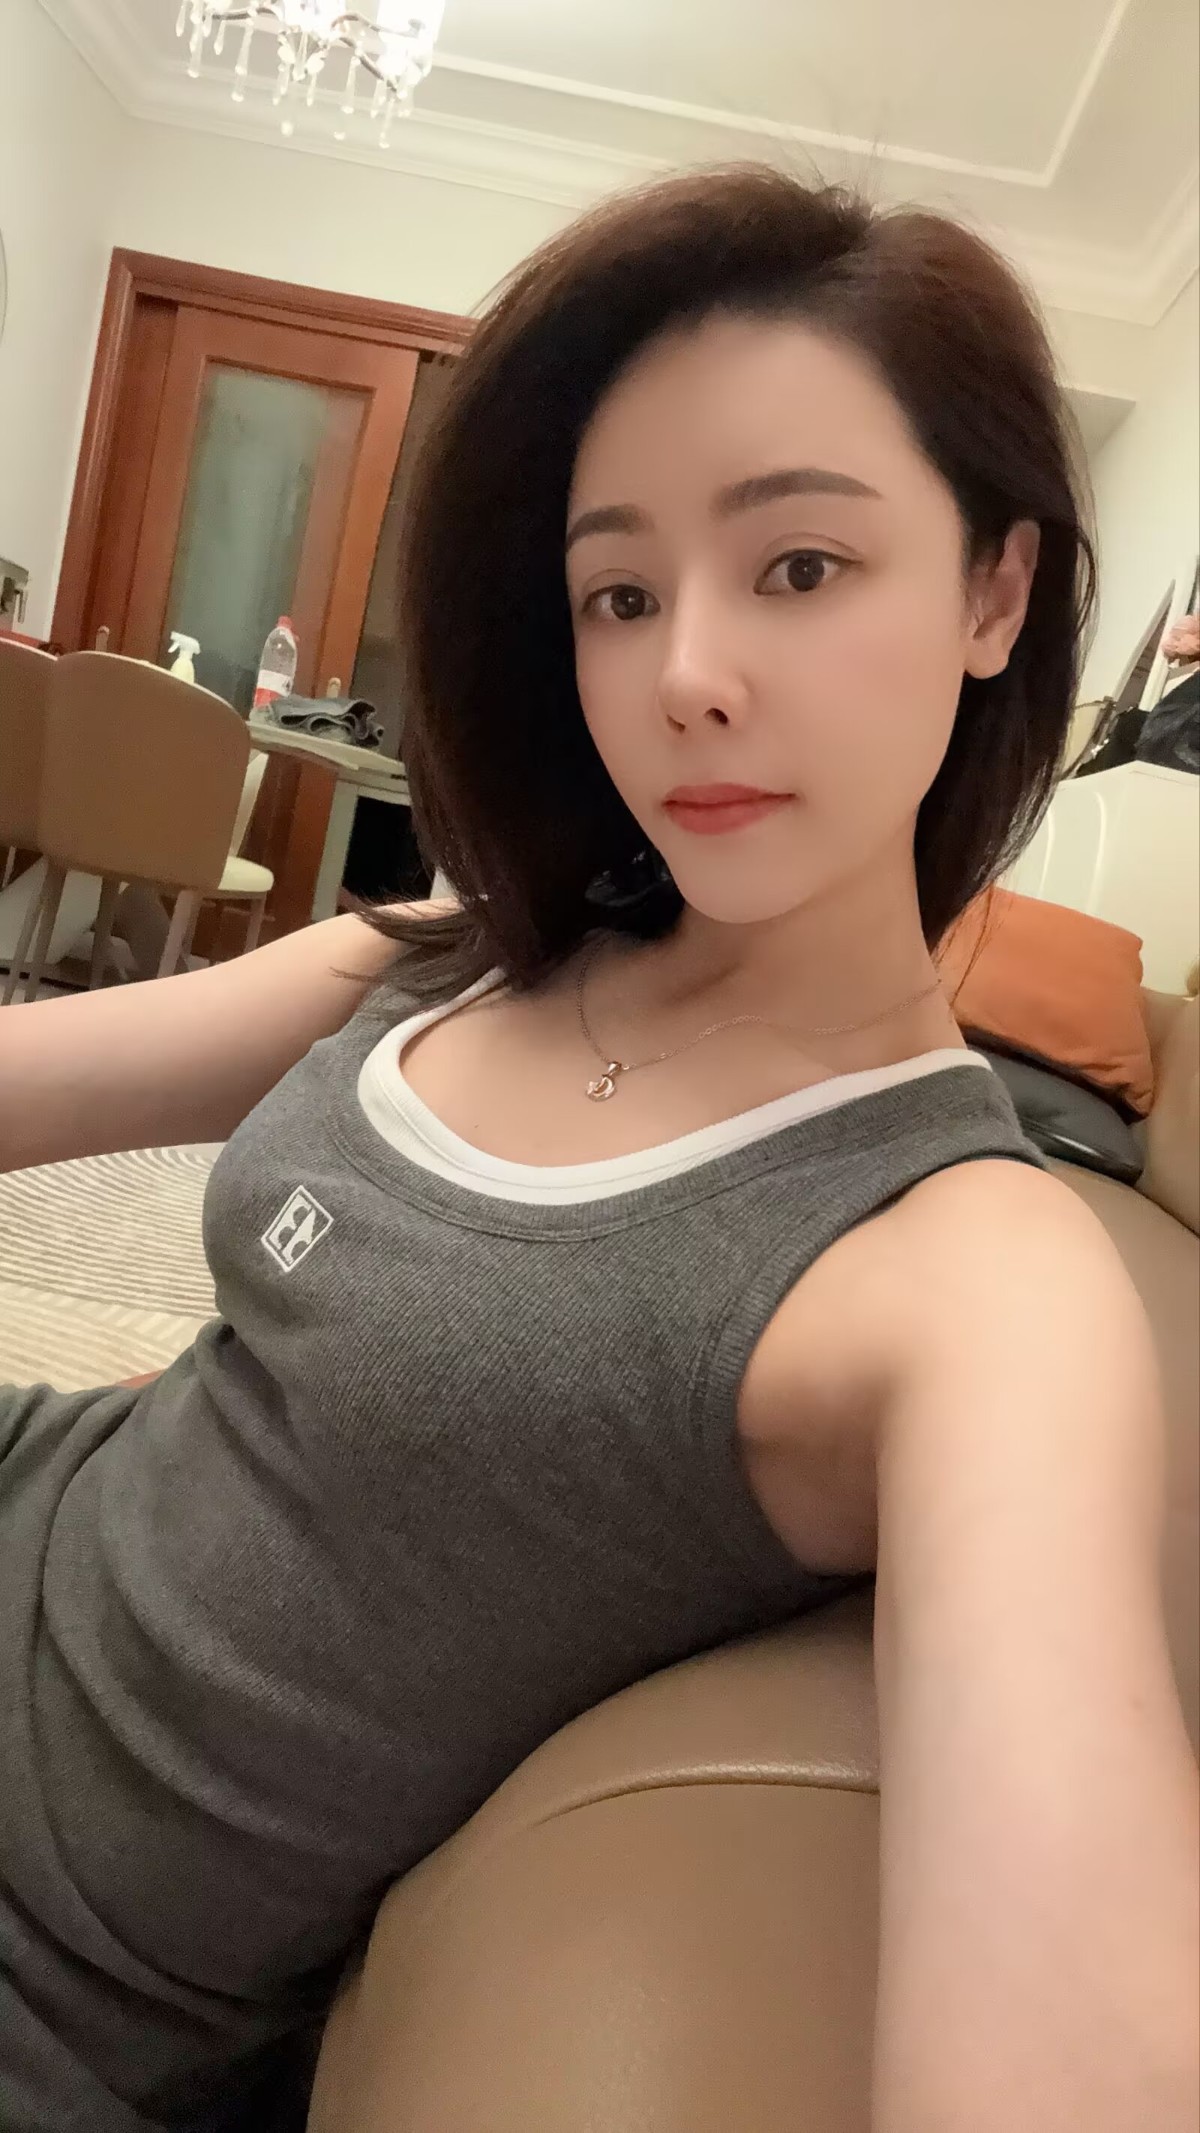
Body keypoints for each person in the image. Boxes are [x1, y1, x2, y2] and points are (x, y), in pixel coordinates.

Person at [1, 167, 1196, 2133]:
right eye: (620, 592)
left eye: (799, 564)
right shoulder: (472, 951)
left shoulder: (977, 1273)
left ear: (994, 592)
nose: (684, 672)